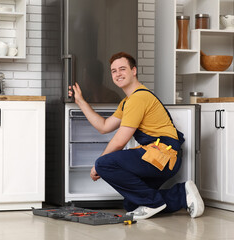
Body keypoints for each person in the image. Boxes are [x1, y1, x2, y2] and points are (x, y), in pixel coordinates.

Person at [68, 52, 204, 220]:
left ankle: (153, 202)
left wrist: (98, 166)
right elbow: (104, 126)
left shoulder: (138, 98)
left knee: (104, 163)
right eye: (114, 71)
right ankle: (181, 194)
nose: (118, 74)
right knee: (132, 204)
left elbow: (120, 141)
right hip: (159, 157)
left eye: (122, 69)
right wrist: (81, 101)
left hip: (163, 155)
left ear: (134, 71)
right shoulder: (127, 101)